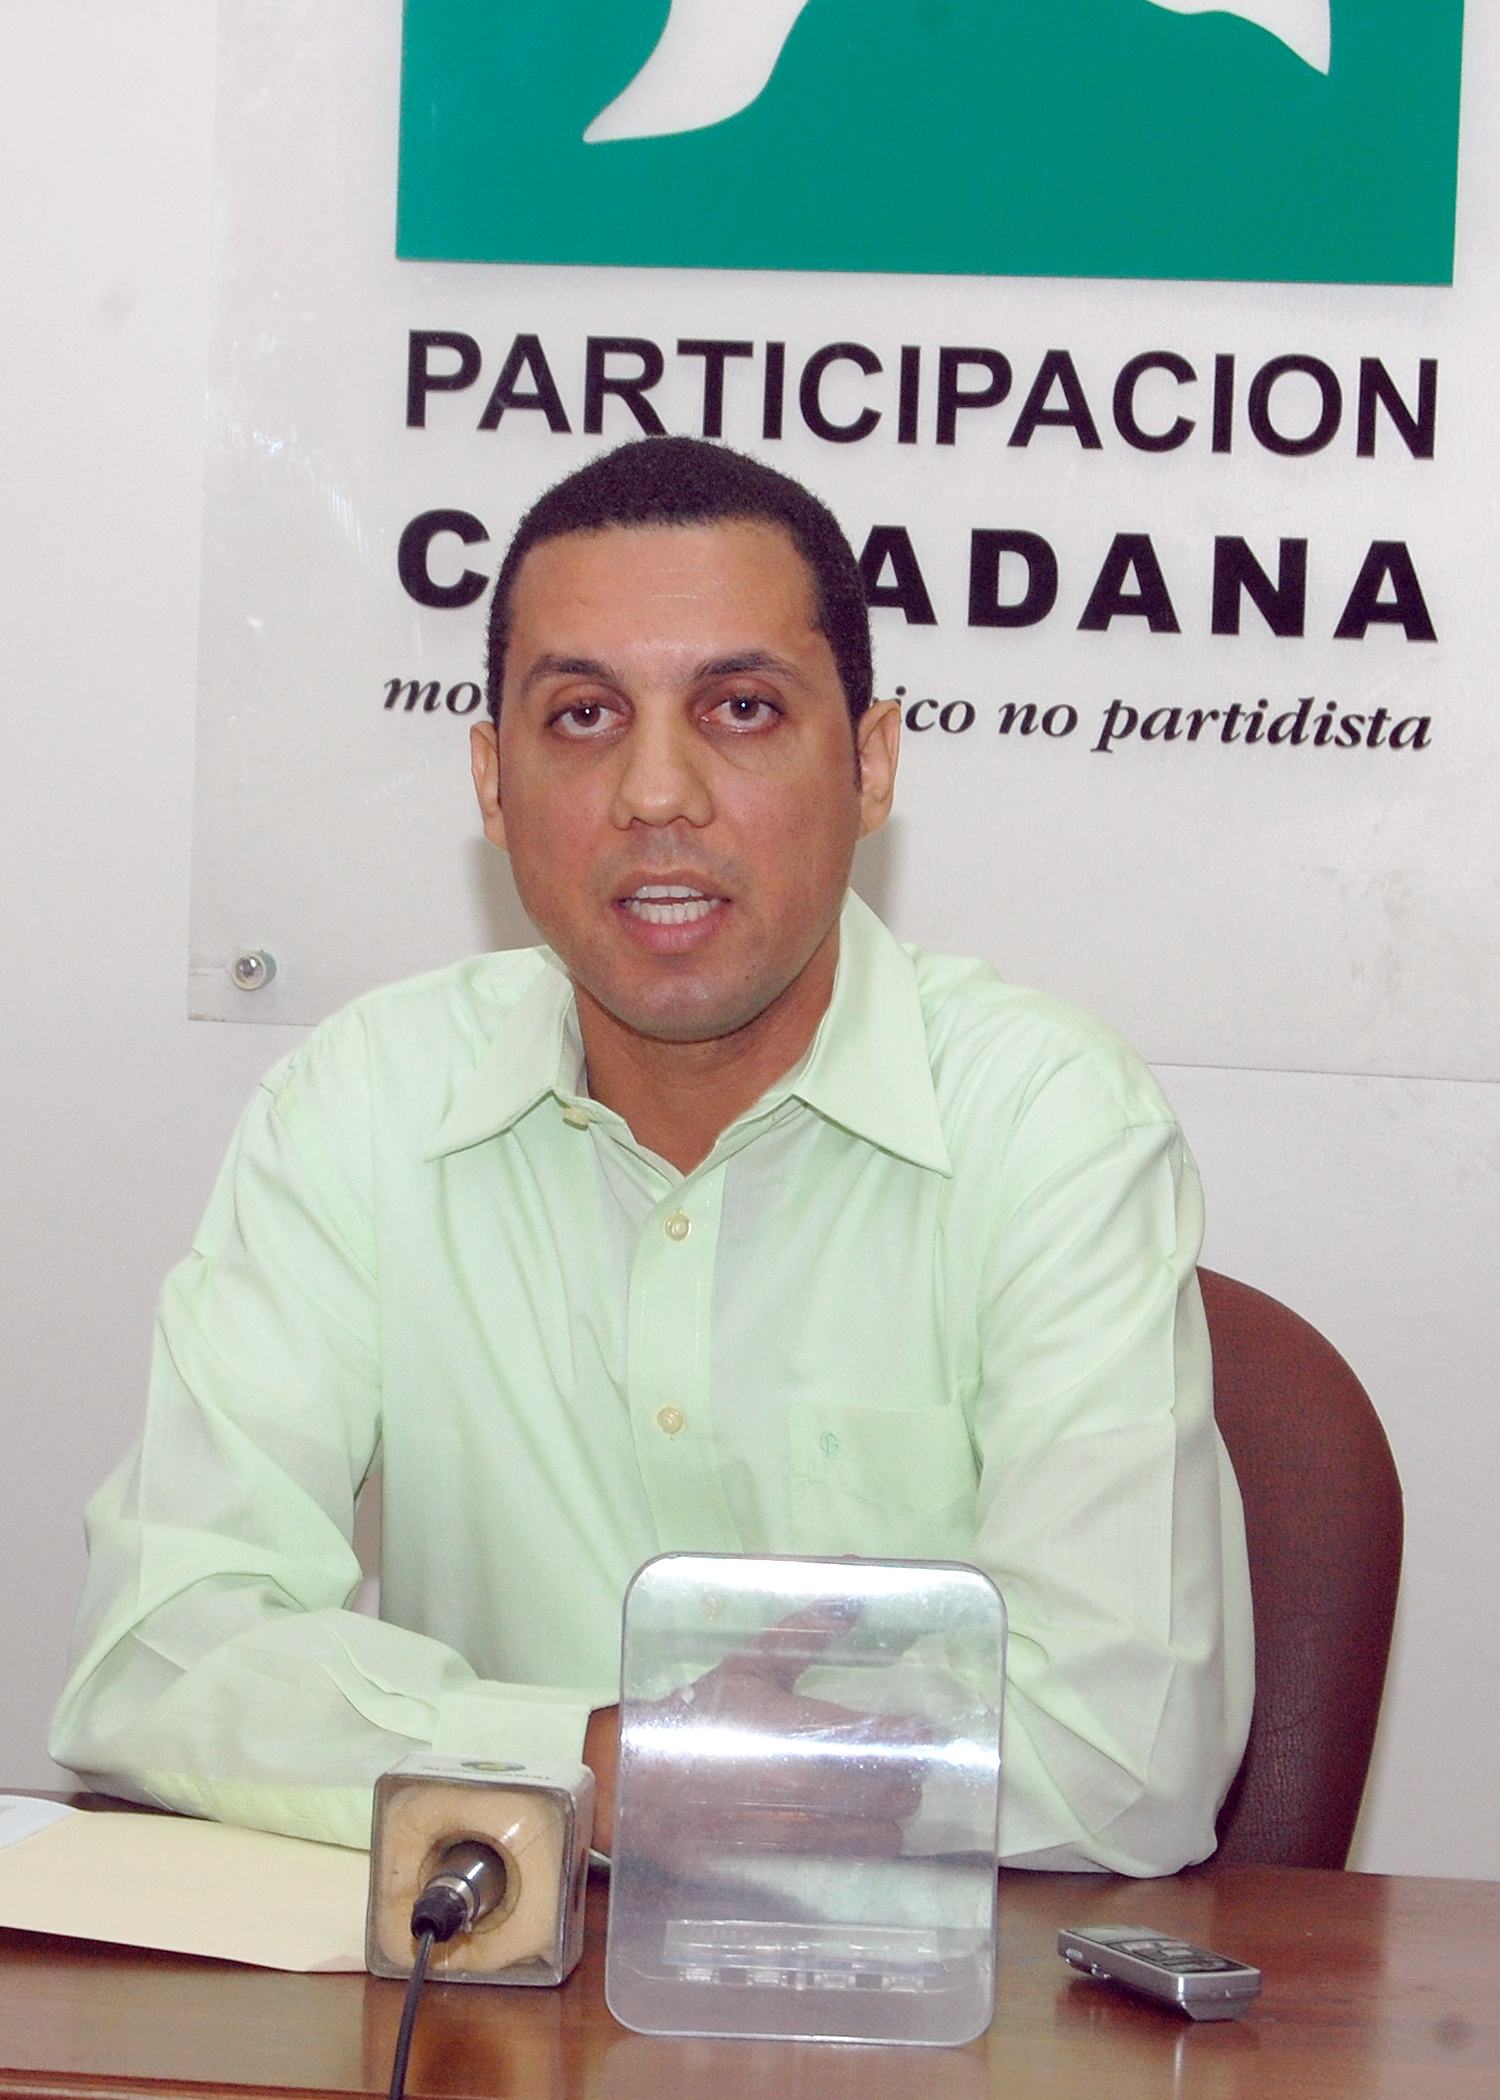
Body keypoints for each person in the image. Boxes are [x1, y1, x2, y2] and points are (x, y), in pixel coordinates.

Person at [50, 436, 1251, 1873]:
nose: (658, 792)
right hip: (487, 1979)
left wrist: (566, 1766)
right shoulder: (365, 1101)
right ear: (492, 786)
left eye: (742, 708)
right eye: (583, 716)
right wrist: (596, 1766)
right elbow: (160, 1656)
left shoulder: (1048, 1122)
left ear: (870, 763)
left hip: (931, 2002)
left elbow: (1126, 1756)